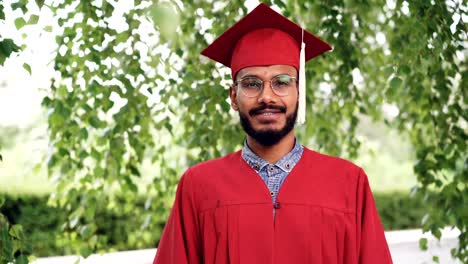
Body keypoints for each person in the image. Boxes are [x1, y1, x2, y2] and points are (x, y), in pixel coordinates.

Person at [153, 3, 392, 264]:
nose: (267, 96)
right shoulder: (198, 187)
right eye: (251, 84)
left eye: (282, 83)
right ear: (234, 97)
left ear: (299, 92)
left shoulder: (349, 184)